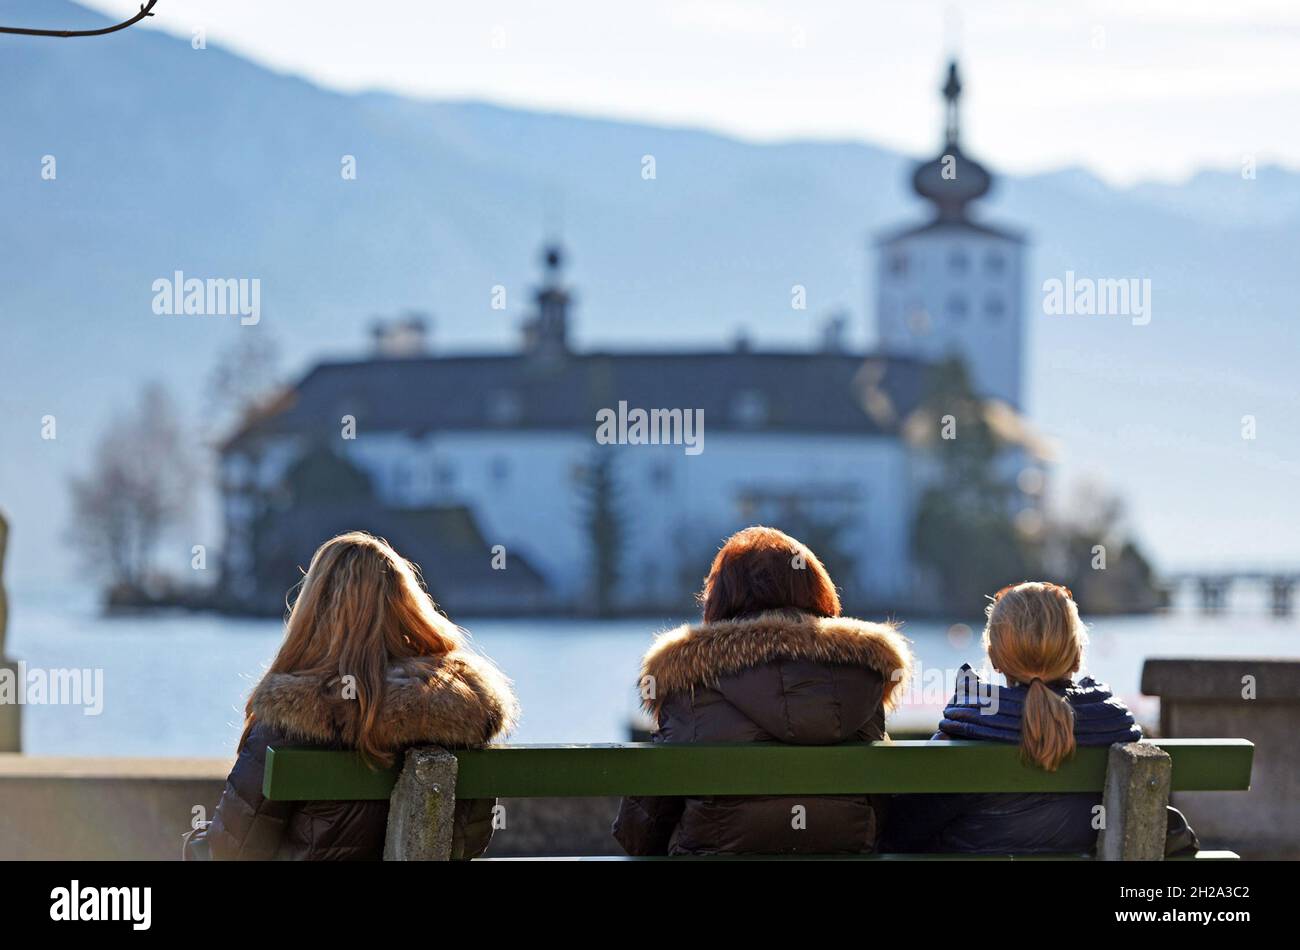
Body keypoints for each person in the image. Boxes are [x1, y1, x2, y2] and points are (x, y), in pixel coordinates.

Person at [201, 531, 518, 860]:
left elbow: (231, 851)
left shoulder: (287, 724)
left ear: (314, 611)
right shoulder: (466, 715)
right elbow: (472, 837)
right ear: (408, 607)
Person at [612, 525, 913, 855]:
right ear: (817, 591)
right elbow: (880, 811)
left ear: (722, 597)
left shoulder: (689, 682)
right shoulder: (862, 674)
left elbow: (640, 833)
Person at [882, 581, 1197, 855]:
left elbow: (900, 832)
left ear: (994, 658)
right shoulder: (1116, 732)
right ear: (1076, 657)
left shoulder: (968, 731)